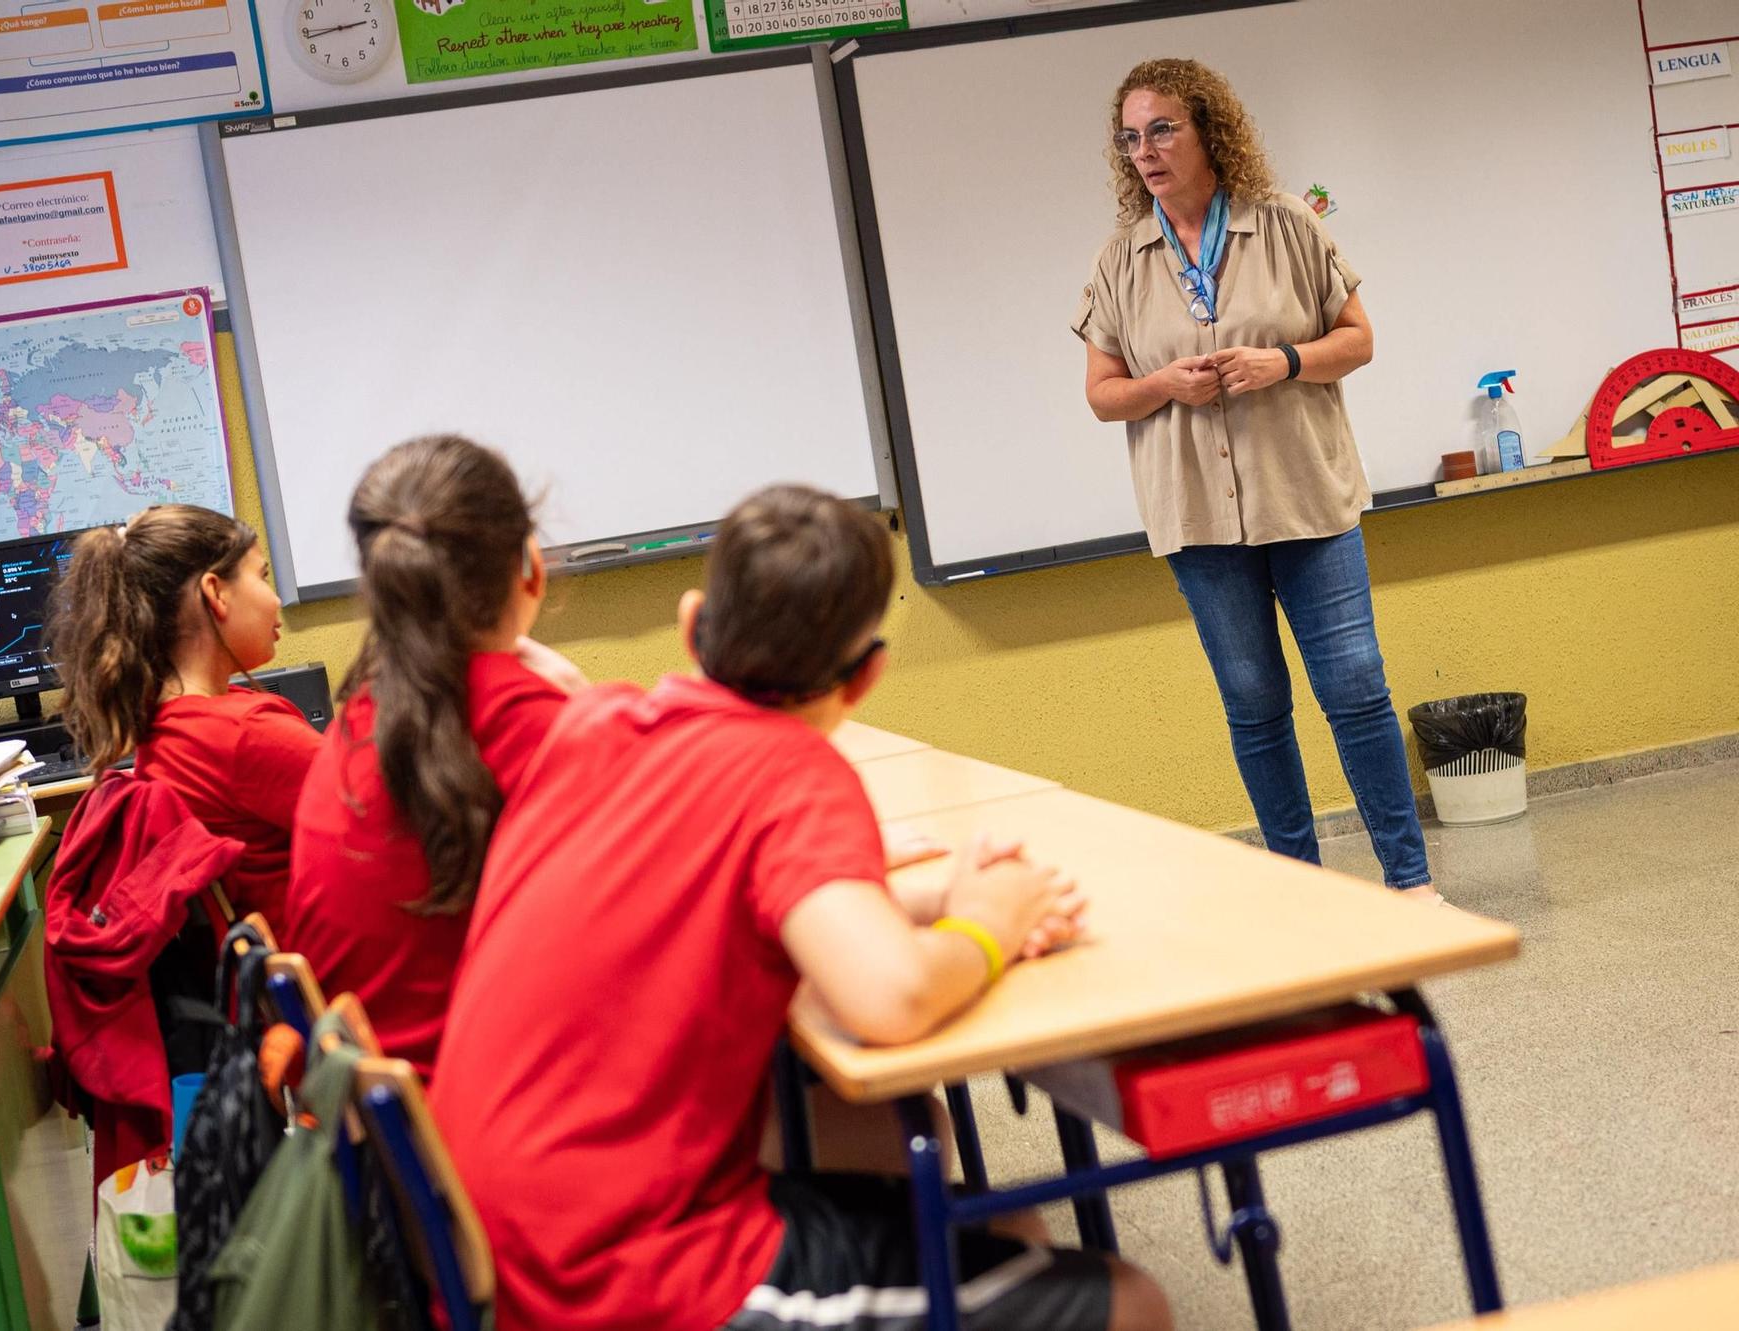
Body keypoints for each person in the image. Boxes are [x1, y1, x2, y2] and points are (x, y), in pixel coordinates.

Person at [429, 485, 1171, 1331]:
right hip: (614, 1273)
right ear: (867, 676)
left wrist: (935, 896)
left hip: (489, 1227)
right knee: (1131, 1301)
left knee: (997, 1220)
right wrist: (989, 925)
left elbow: (720, 890)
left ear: (691, 621)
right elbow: (889, 999)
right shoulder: (792, 771)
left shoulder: (594, 724)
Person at [1072, 57, 1438, 902]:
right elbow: (1102, 395)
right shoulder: (1119, 262)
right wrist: (1164, 385)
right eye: (1131, 138)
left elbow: (1359, 338)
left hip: (1306, 497)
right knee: (1253, 700)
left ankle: (1411, 883)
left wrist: (1283, 361)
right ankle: (1298, 891)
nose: (1146, 151)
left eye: (1163, 128)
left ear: (1209, 129)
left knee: (1354, 685)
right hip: (1198, 518)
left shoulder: (1285, 227)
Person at [283, 434, 583, 1071]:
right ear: (530, 563)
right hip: (486, 1114)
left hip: (381, 1129)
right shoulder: (540, 731)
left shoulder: (359, 719)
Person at [47, 504, 321, 930]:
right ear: (216, 592)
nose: (276, 599)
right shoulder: (242, 733)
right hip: (331, 977)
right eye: (263, 577)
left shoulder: (164, 726)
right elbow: (390, 819)